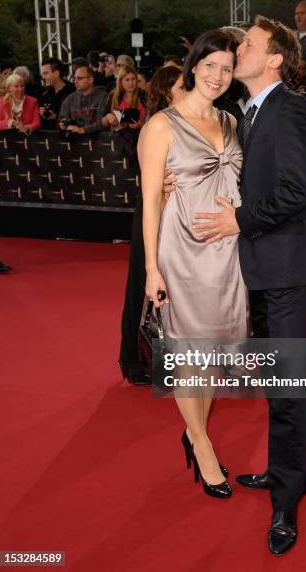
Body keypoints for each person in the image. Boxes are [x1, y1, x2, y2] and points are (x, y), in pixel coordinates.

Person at [191, 16, 306, 555]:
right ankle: (286, 471)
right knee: (277, 383)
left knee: (288, 389)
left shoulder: (290, 108)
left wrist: (240, 221)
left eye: (248, 44)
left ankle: (287, 499)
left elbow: (299, 190)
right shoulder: (247, 113)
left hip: (291, 271)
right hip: (262, 269)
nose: (238, 48)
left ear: (274, 59)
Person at [141, 30, 247, 499]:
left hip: (227, 253)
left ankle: (193, 431)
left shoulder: (230, 120)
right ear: (193, 65)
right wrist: (151, 269)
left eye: (226, 68)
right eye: (210, 65)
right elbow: (149, 204)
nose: (217, 76)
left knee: (210, 356)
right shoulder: (161, 126)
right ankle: (202, 445)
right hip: (181, 252)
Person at [118, 66, 185, 386]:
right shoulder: (155, 127)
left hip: (180, 217)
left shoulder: (192, 123)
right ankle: (130, 357)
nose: (191, 91)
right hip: (153, 212)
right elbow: (149, 179)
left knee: (176, 290)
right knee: (141, 287)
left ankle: (166, 359)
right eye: (184, 86)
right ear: (167, 90)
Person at [58, 66, 108, 135]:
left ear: (91, 80)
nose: (75, 81)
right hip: (75, 143)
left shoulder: (103, 97)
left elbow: (104, 122)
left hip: (98, 143)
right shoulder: (70, 98)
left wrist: (83, 130)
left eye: (79, 78)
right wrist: (62, 124)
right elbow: (61, 119)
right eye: (74, 78)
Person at [101, 67, 146, 131]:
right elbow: (102, 123)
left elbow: (152, 119)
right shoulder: (114, 96)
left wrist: (140, 125)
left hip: (141, 134)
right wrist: (108, 117)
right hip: (119, 136)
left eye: (133, 79)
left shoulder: (143, 95)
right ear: (120, 82)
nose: (131, 83)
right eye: (127, 80)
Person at [39, 57, 75, 129]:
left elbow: (79, 116)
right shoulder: (44, 92)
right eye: (42, 74)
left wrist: (56, 117)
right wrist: (41, 112)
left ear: (56, 73)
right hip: (48, 135)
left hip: (69, 136)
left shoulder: (73, 91)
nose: (43, 77)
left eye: (45, 73)